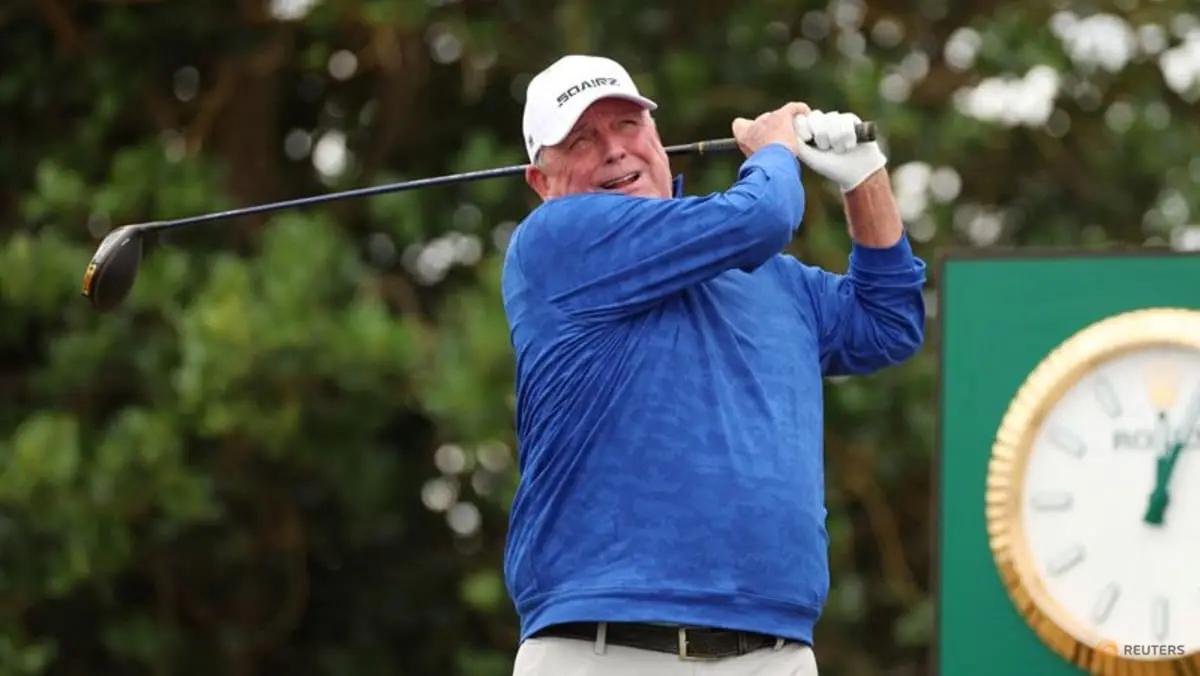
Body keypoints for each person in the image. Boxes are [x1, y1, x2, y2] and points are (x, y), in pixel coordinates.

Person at [500, 54, 926, 676]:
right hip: (600, 646)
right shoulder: (554, 243)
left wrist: (865, 176)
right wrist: (772, 146)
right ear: (541, 181)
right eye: (582, 140)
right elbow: (765, 213)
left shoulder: (774, 278)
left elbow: (889, 323)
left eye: (626, 125)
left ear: (656, 136)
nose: (614, 150)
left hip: (775, 650)